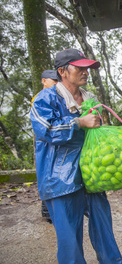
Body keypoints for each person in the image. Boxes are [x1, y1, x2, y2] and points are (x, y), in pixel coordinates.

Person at [30, 48, 122, 264]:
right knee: (70, 241)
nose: (86, 72)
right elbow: (44, 129)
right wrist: (78, 122)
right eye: (80, 67)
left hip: (91, 176)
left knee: (104, 231)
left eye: (87, 68)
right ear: (62, 71)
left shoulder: (89, 100)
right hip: (60, 180)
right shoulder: (46, 97)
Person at [31, 70, 59, 224]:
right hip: (44, 142)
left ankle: (49, 211)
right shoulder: (40, 98)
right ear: (44, 81)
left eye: (57, 80)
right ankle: (47, 212)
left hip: (51, 142)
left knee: (52, 176)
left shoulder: (53, 96)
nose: (56, 83)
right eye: (52, 80)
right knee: (46, 176)